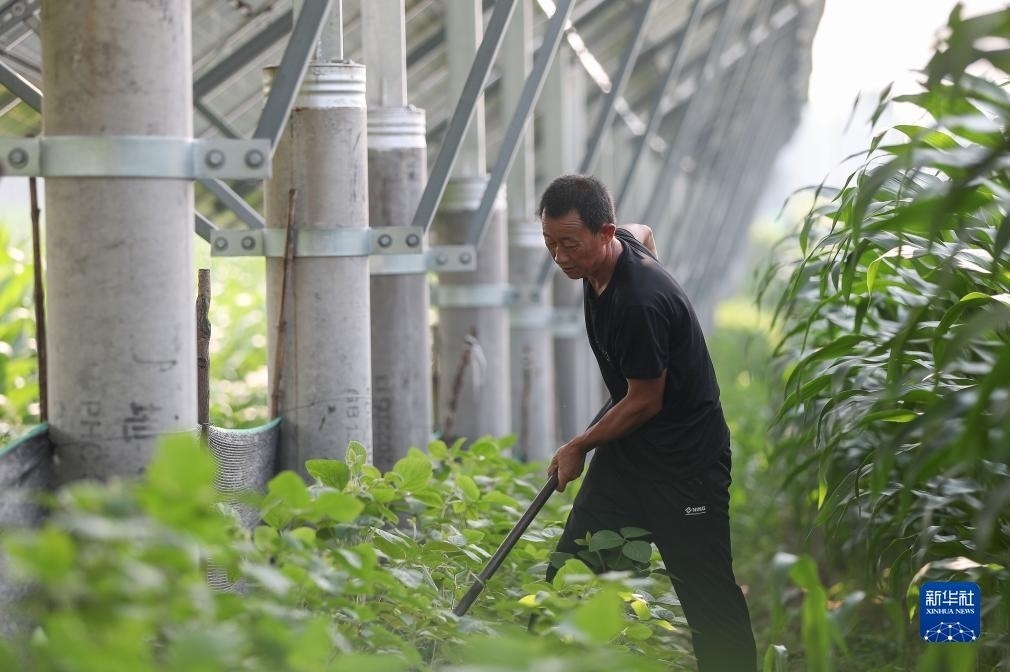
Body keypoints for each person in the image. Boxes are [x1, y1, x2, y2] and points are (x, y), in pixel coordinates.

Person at [539, 174, 757, 671]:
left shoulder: (638, 302)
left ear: (604, 233)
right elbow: (645, 230)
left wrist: (578, 445)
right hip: (631, 455)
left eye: (570, 244)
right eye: (550, 242)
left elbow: (643, 401)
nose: (559, 257)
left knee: (707, 599)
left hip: (685, 466)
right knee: (574, 574)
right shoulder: (618, 247)